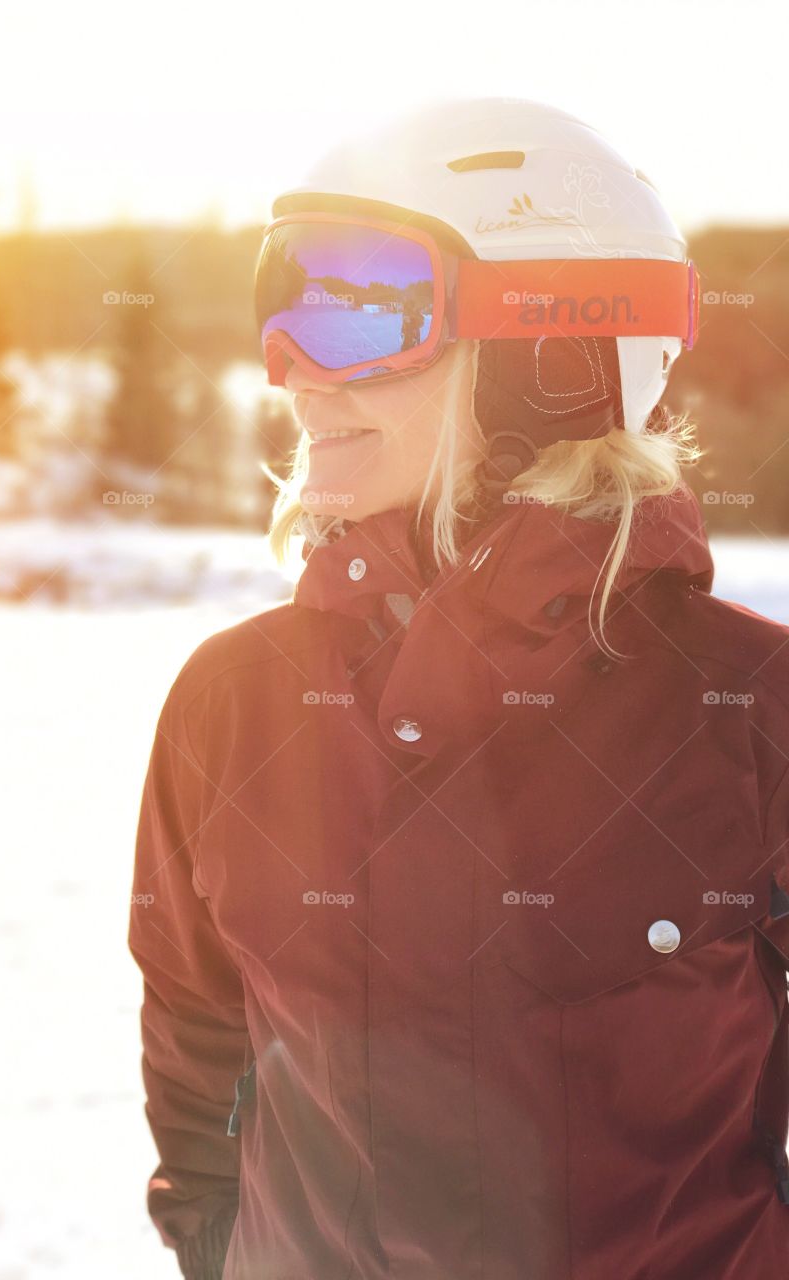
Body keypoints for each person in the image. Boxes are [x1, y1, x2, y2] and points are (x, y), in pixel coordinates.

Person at [127, 97, 789, 1279]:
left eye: (360, 310)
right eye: (283, 305)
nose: (291, 371)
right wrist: (223, 1252)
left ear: (552, 354)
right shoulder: (235, 707)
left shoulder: (750, 711)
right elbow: (197, 1039)